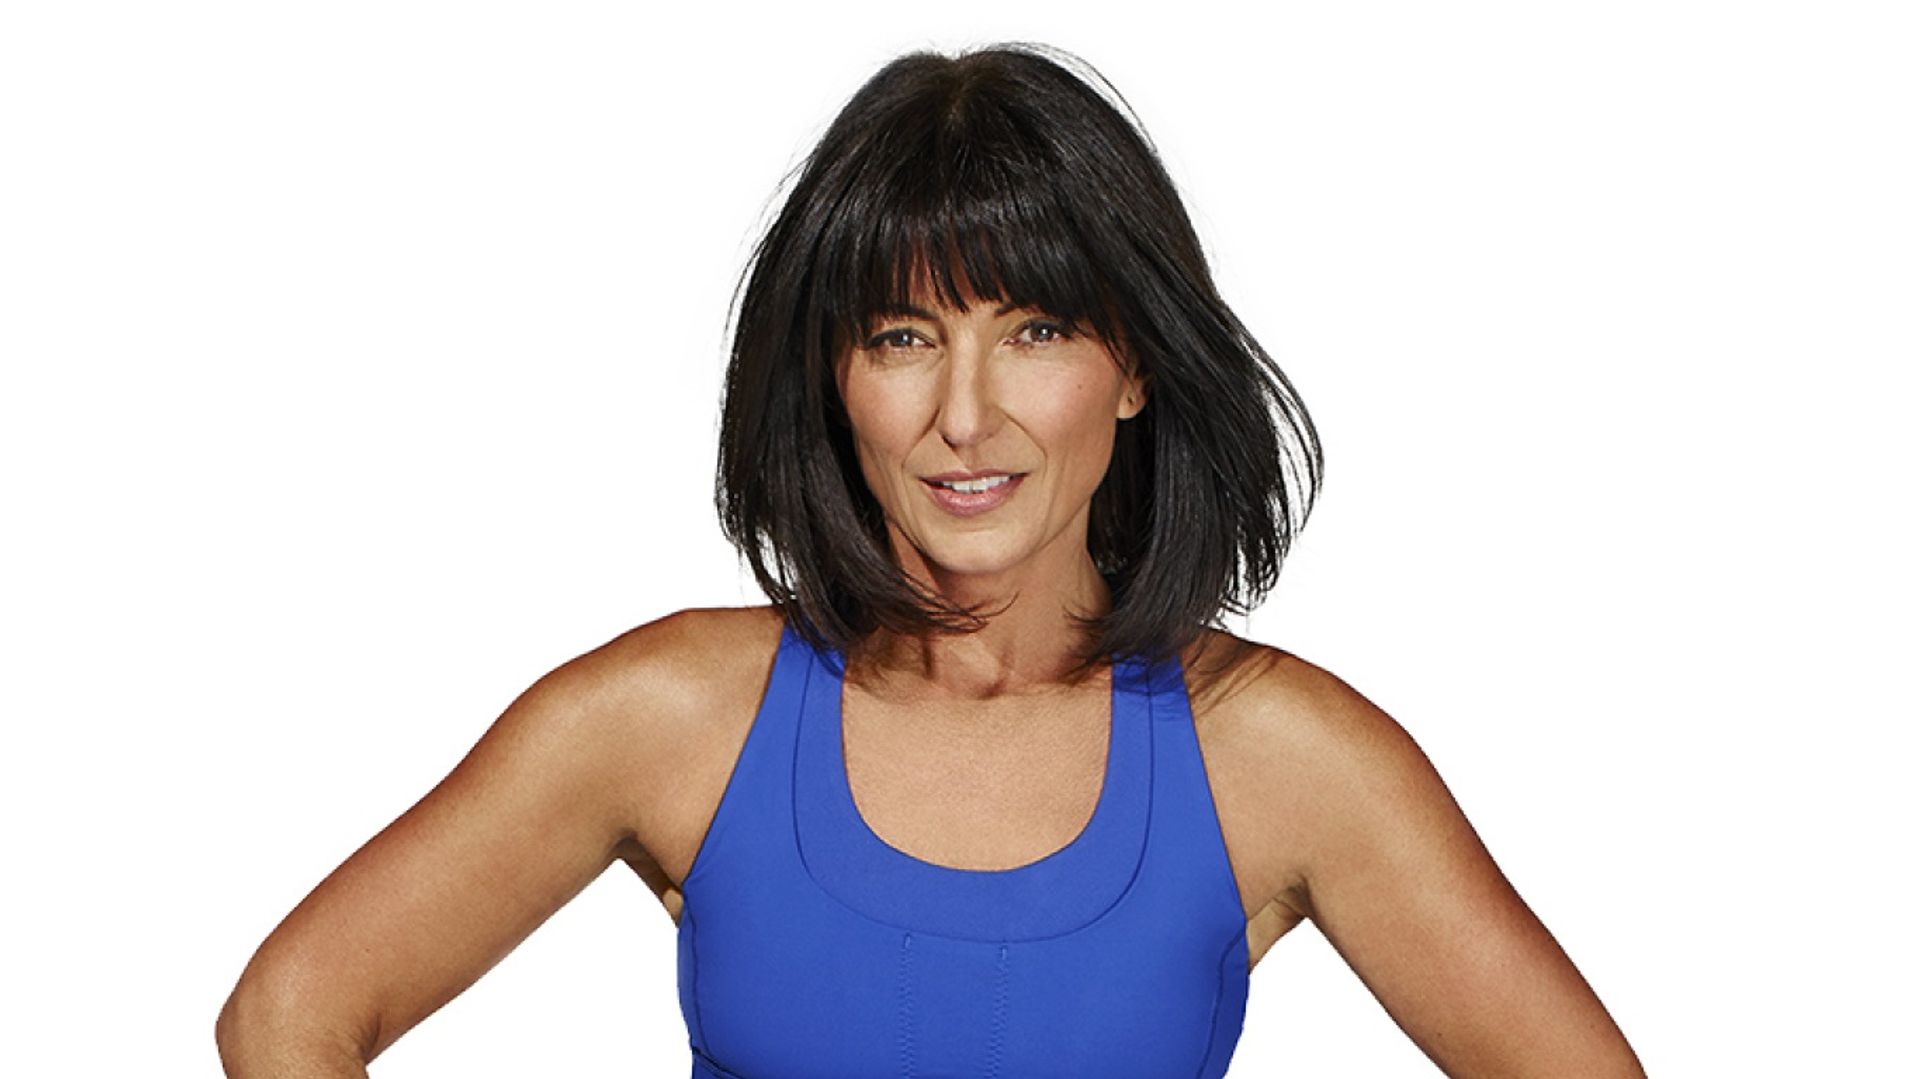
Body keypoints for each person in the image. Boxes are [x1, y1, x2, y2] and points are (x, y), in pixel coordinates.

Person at [215, 42, 1644, 1078]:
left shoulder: (1277, 755)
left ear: (1135, 369)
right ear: (836, 377)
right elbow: (290, 1015)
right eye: (904, 335)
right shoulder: (676, 717)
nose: (966, 414)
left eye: (1035, 330)